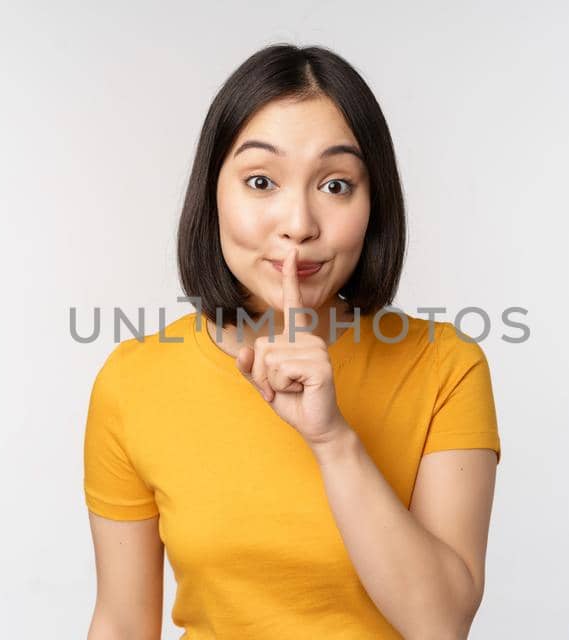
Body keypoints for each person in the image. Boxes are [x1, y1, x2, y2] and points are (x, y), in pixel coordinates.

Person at [83, 43, 501, 639]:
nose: (299, 224)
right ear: (213, 194)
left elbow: (441, 625)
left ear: (373, 202)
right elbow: (122, 622)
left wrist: (331, 440)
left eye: (335, 185)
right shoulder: (133, 379)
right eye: (261, 181)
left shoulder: (446, 366)